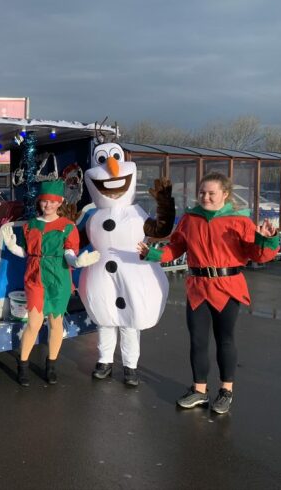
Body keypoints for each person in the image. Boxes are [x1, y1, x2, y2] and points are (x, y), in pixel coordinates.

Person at [140, 172, 279, 414]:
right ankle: (199, 391)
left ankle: (226, 391)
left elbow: (258, 255)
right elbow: (175, 249)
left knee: (225, 339)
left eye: (211, 193)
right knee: (198, 340)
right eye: (202, 192)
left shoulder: (239, 221)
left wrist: (268, 240)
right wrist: (152, 254)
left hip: (227, 287)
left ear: (225, 194)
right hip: (198, 289)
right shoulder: (189, 219)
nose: (205, 197)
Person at [79, 140, 175, 387]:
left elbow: (161, 228)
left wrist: (166, 205)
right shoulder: (92, 216)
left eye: (114, 158)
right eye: (102, 160)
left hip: (133, 274)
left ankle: (130, 366)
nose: (110, 167)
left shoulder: (136, 212)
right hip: (101, 275)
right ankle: (104, 361)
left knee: (130, 323)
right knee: (105, 319)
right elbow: (76, 238)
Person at [2, 180, 99, 386]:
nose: (48, 206)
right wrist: (12, 246)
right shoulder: (30, 225)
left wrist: (78, 261)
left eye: (53, 202)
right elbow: (27, 253)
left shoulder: (68, 227)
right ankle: (23, 365)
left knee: (56, 323)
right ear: (40, 202)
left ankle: (51, 365)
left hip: (59, 278)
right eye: (45, 201)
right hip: (36, 276)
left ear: (60, 202)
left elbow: (69, 254)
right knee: (34, 323)